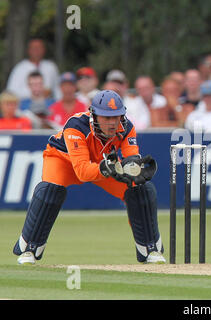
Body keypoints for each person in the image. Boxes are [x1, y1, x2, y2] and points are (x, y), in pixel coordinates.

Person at [13, 90, 165, 265]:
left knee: (141, 189)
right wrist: (108, 168)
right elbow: (83, 171)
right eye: (106, 117)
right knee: (49, 191)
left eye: (116, 117)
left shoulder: (127, 128)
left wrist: (136, 171)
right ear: (94, 115)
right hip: (64, 160)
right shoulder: (76, 126)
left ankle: (149, 249)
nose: (112, 123)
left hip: (103, 164)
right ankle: (29, 249)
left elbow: (131, 157)